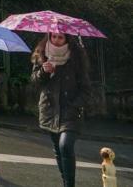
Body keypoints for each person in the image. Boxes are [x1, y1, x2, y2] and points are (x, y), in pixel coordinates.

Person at [31, 32, 91, 187]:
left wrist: (74, 106)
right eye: (53, 37)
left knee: (65, 145)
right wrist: (44, 72)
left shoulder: (76, 56)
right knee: (58, 148)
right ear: (49, 37)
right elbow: (35, 82)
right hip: (50, 110)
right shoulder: (42, 53)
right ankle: (66, 183)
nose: (56, 41)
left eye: (60, 37)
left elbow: (86, 89)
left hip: (70, 111)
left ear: (67, 39)